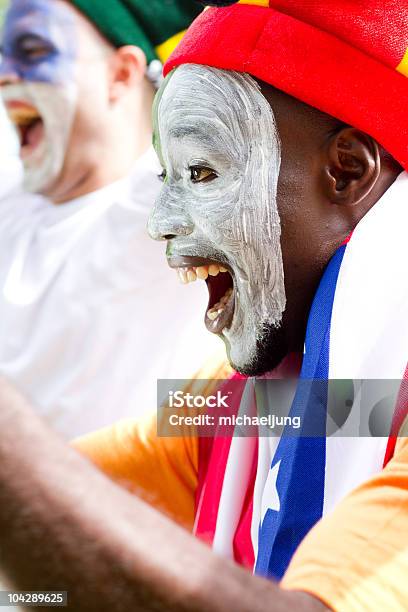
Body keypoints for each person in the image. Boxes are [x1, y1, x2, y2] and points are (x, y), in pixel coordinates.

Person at [0, 1, 407, 610]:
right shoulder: (241, 400)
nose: (161, 224)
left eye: (202, 172)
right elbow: (59, 525)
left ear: (347, 171)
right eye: (166, 177)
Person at [0, 0, 221, 438]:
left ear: (121, 74)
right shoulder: (14, 207)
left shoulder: (161, 204)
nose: (5, 74)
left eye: (33, 50)